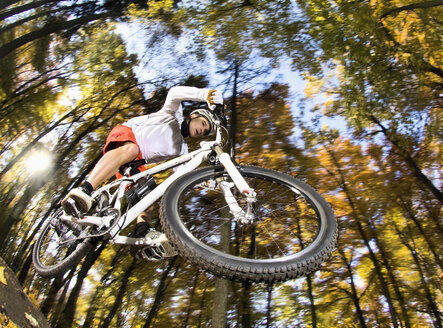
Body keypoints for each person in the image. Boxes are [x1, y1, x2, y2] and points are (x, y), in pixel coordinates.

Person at [61, 86, 223, 243]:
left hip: (134, 162)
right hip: (126, 135)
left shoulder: (182, 149)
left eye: (205, 131)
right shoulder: (173, 114)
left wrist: (205, 181)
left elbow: (182, 174)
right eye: (203, 124)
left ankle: (142, 233)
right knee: (131, 149)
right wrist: (205, 95)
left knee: (149, 195)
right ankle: (85, 190)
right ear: (193, 116)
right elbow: (175, 93)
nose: (202, 130)